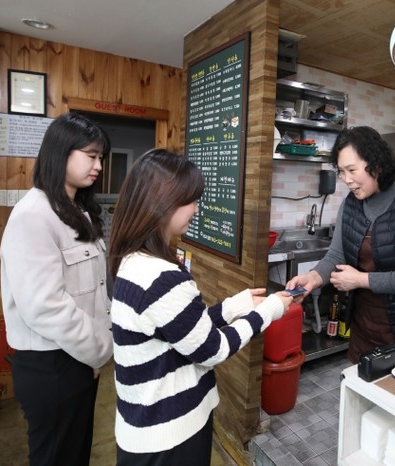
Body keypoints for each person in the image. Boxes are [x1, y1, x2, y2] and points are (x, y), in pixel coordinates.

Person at [107, 148, 292, 466]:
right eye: (190, 200)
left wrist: (235, 305)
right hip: (169, 434)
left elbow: (182, 329)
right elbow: (212, 349)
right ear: (162, 202)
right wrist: (268, 310)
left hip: (145, 425)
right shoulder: (161, 276)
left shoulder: (134, 261)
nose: (196, 208)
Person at [0, 112, 113, 465]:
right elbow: (45, 307)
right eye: (91, 155)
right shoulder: (33, 215)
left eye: (101, 157)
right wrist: (100, 349)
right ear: (61, 152)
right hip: (52, 365)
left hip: (78, 358)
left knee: (75, 453)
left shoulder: (75, 209)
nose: (98, 166)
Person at [286, 126, 395, 364]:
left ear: (377, 165)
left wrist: (360, 280)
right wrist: (311, 279)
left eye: (352, 170)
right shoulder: (351, 203)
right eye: (341, 171)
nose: (346, 180)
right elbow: (336, 255)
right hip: (362, 321)